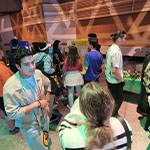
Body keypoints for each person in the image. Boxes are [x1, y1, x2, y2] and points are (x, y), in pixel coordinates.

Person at [59, 82, 132, 150]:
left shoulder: (70, 139)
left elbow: (64, 127)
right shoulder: (124, 125)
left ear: (82, 111)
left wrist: (77, 106)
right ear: (111, 105)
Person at [3, 46, 51, 150]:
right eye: (26, 64)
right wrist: (37, 104)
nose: (32, 67)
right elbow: (12, 113)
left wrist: (47, 102)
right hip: (29, 126)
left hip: (44, 119)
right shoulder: (10, 86)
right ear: (18, 66)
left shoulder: (37, 73)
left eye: (33, 62)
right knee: (40, 148)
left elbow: (48, 84)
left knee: (47, 143)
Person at [105, 30, 126, 116]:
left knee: (112, 98)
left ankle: (110, 113)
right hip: (115, 81)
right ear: (118, 39)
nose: (125, 40)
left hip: (109, 78)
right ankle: (112, 115)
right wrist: (121, 80)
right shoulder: (116, 51)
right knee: (119, 99)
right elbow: (115, 70)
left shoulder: (110, 48)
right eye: (124, 38)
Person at [0, 60, 20, 134]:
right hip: (3, 94)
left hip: (1, 94)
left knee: (6, 111)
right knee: (9, 112)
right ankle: (12, 128)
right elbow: (8, 82)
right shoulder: (1, 68)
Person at [137, 52, 150, 116]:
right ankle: (141, 109)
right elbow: (146, 73)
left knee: (143, 95)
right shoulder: (148, 58)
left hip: (146, 82)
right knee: (144, 96)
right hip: (146, 82)